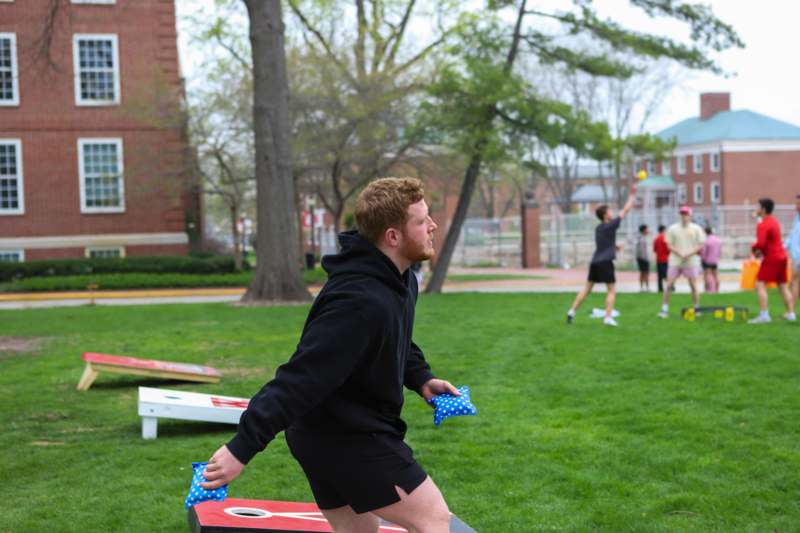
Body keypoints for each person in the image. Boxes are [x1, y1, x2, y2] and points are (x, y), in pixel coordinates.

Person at [200, 177, 460, 533]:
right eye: (421, 221)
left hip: (323, 433)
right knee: (433, 518)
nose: (432, 226)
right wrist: (240, 449)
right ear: (393, 236)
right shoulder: (359, 301)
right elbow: (300, 378)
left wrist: (421, 378)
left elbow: (393, 339)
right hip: (349, 436)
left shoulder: (399, 281)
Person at [566, 184, 637, 326]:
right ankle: (608, 318)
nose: (612, 212)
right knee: (611, 290)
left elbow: (604, 243)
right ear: (605, 215)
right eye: (609, 211)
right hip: (605, 262)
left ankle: (571, 312)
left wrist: (615, 247)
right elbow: (625, 210)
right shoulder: (611, 225)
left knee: (587, 289)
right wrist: (632, 195)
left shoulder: (598, 228)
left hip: (595, 262)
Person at [749, 197, 795, 323]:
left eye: (758, 207)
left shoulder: (763, 224)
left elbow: (761, 243)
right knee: (782, 285)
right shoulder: (774, 221)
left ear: (763, 209)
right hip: (782, 257)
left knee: (759, 284)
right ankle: (791, 314)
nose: (756, 209)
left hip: (772, 258)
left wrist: (753, 248)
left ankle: (764, 316)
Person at [658, 206, 705, 318]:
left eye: (686, 214)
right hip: (675, 260)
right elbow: (669, 244)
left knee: (693, 285)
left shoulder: (696, 229)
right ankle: (664, 309)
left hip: (691, 261)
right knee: (669, 285)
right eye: (682, 214)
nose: (684, 216)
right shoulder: (673, 228)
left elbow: (700, 244)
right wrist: (679, 253)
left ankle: (696, 308)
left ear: (690, 215)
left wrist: (689, 253)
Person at [785, 194, 800, 314]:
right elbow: (791, 237)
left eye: (799, 203)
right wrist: (783, 248)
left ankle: (791, 312)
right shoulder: (797, 219)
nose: (797, 206)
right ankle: (791, 311)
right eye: (796, 203)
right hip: (796, 257)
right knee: (794, 282)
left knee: (794, 282)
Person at [700, 226, 722, 293]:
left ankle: (707, 290)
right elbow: (719, 251)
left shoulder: (706, 241)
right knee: (716, 276)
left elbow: (704, 252)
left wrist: (702, 259)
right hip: (715, 260)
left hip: (707, 261)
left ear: (705, 232)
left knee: (706, 276)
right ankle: (717, 290)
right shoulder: (718, 240)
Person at [653, 225, 669, 293]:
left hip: (658, 259)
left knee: (659, 275)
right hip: (665, 259)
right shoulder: (664, 238)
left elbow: (654, 249)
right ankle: (670, 286)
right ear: (663, 230)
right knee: (666, 274)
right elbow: (668, 249)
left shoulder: (656, 239)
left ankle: (660, 288)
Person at [635, 224, 650, 292]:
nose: (648, 230)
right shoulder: (641, 238)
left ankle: (644, 287)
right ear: (644, 230)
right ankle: (644, 288)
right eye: (647, 229)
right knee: (644, 273)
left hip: (642, 258)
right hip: (643, 259)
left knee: (644, 273)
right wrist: (644, 259)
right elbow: (640, 250)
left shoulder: (643, 237)